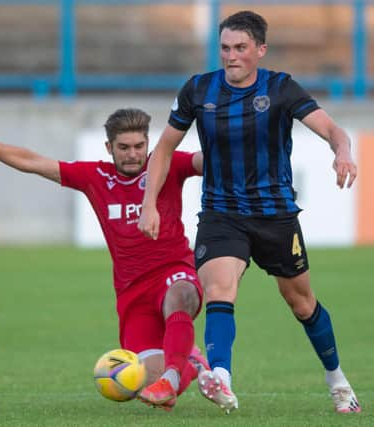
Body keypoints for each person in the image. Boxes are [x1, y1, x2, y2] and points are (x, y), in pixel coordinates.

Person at [138, 11, 360, 414]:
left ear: (260, 50)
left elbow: (331, 129)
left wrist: (343, 151)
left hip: (275, 215)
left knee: (302, 303)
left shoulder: (281, 88)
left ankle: (337, 379)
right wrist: (149, 202)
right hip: (222, 212)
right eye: (224, 48)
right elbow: (165, 149)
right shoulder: (198, 89)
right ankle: (221, 376)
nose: (231, 56)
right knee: (220, 288)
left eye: (240, 48)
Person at [0, 108, 209, 412]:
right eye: (124, 147)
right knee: (141, 383)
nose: (133, 154)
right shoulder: (95, 177)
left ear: (148, 144)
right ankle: (192, 362)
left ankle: (173, 375)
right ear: (109, 148)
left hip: (174, 270)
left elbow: (206, 160)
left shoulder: (168, 165)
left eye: (139, 146)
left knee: (180, 295)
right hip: (132, 293)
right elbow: (32, 162)